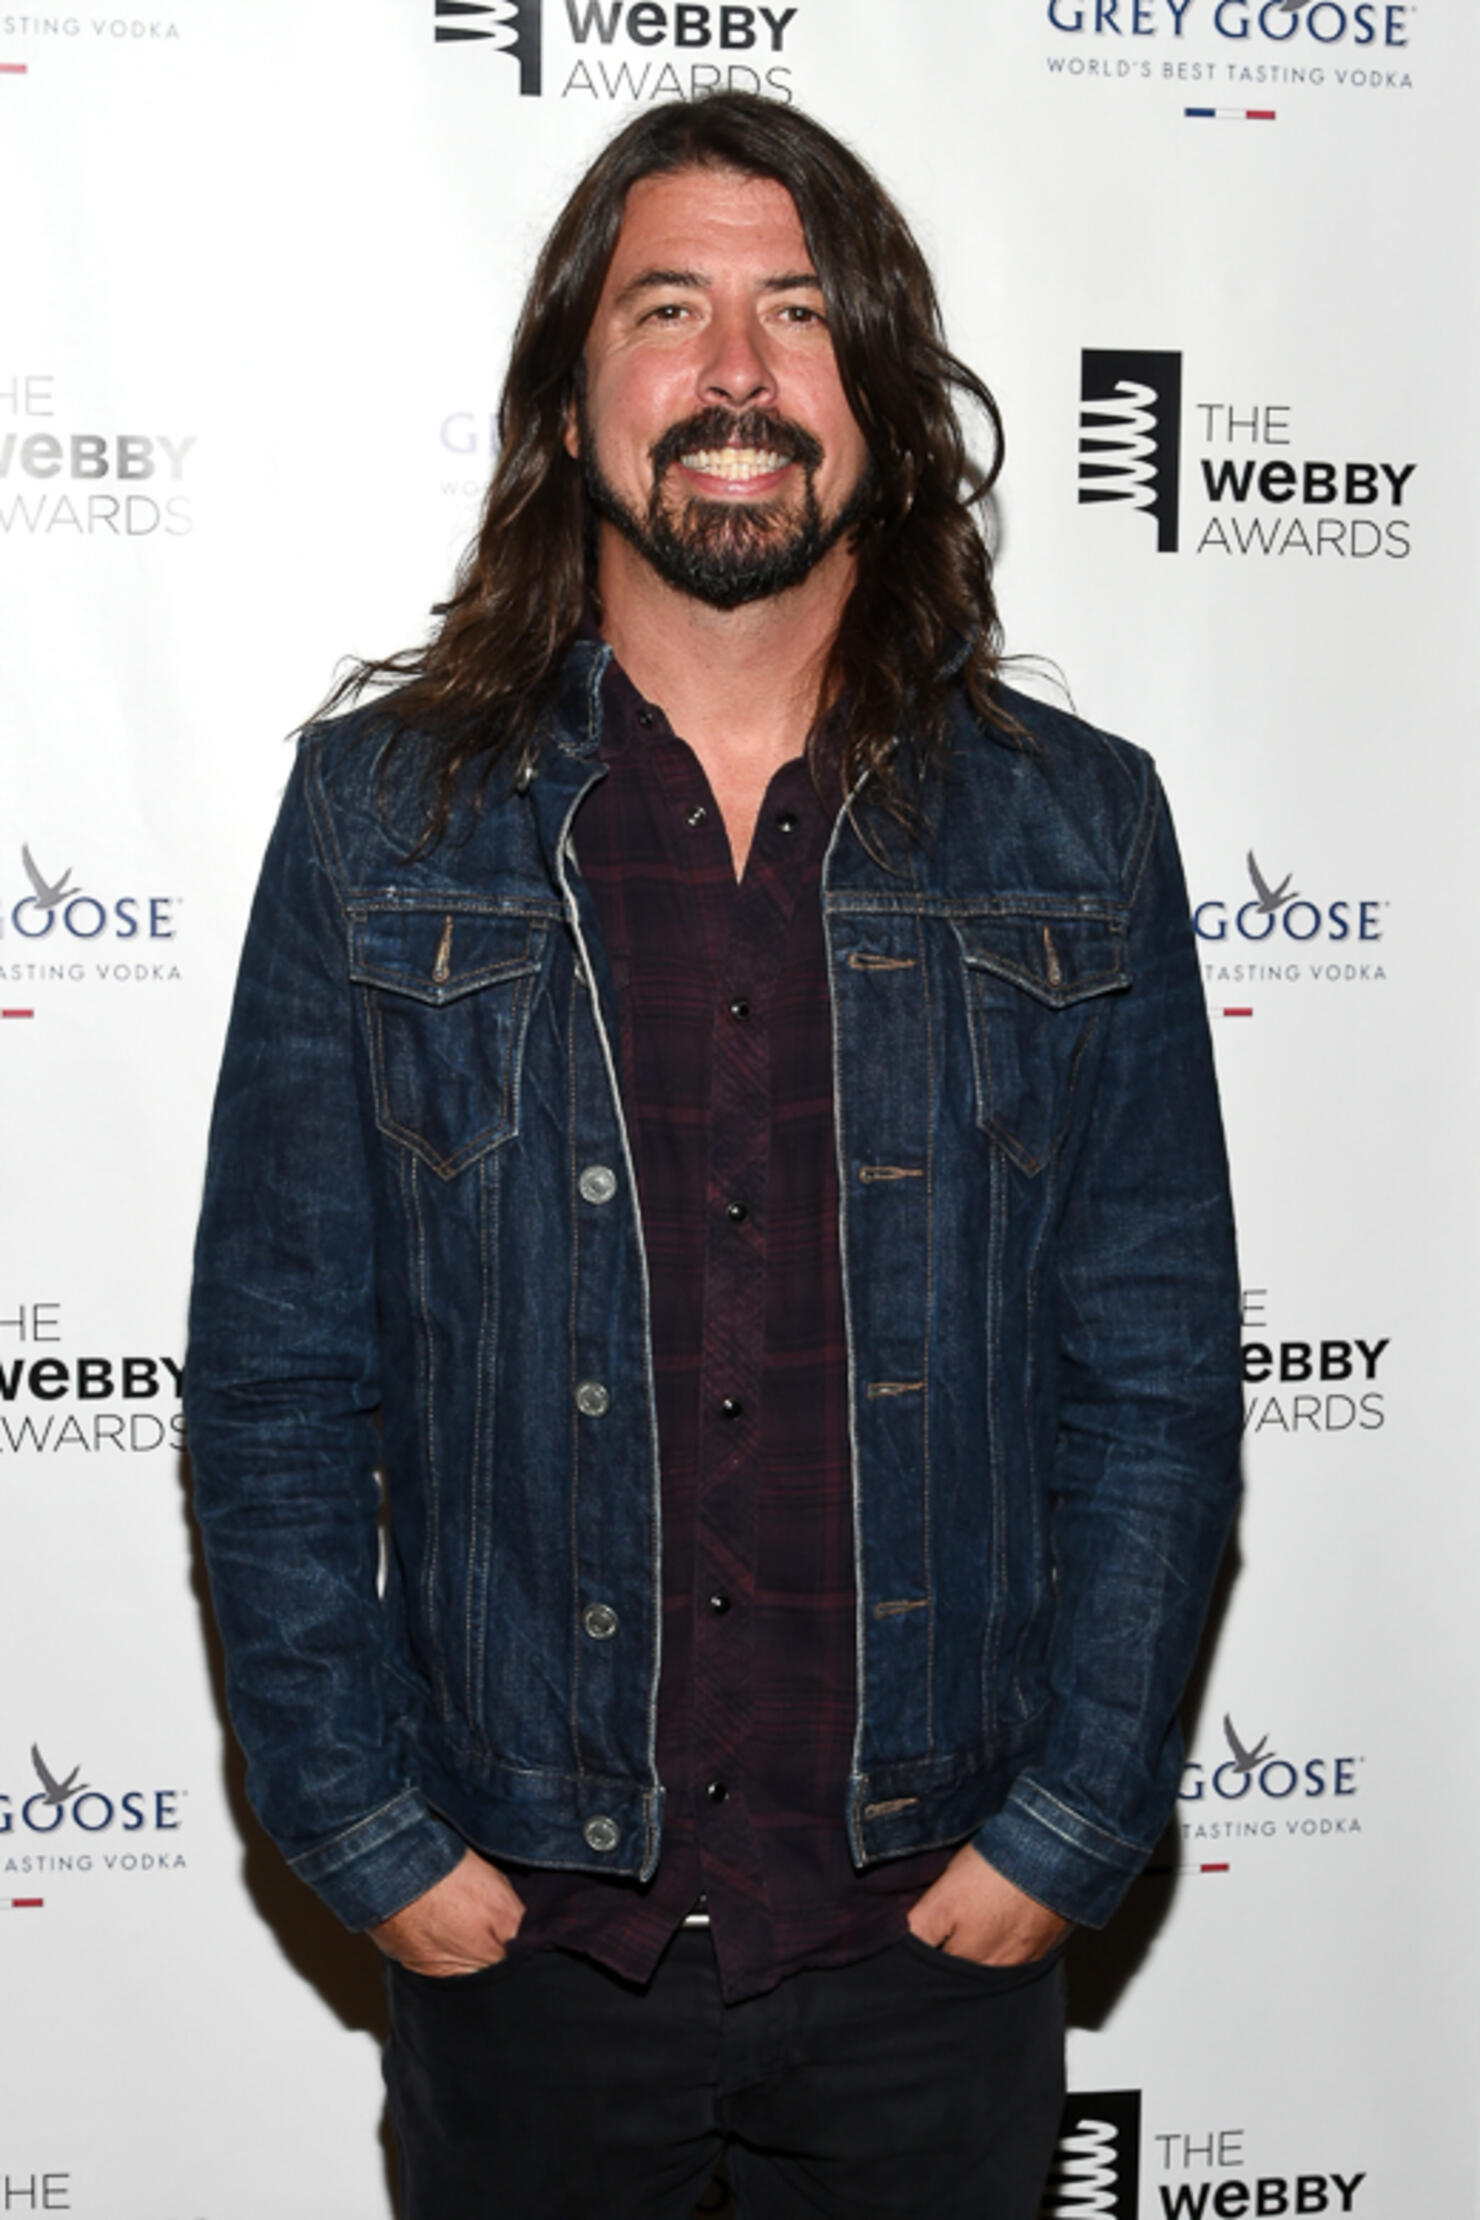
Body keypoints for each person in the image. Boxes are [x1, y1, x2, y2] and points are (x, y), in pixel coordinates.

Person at [186, 91, 1241, 2220]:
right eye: (668, 310)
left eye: (800, 312)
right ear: (568, 400)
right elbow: (278, 1382)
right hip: (527, 1943)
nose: (737, 372)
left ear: (885, 403)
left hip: (927, 1937)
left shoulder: (1078, 826)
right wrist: (372, 1839)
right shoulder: (380, 823)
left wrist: (1066, 1827)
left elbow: (1150, 1385)